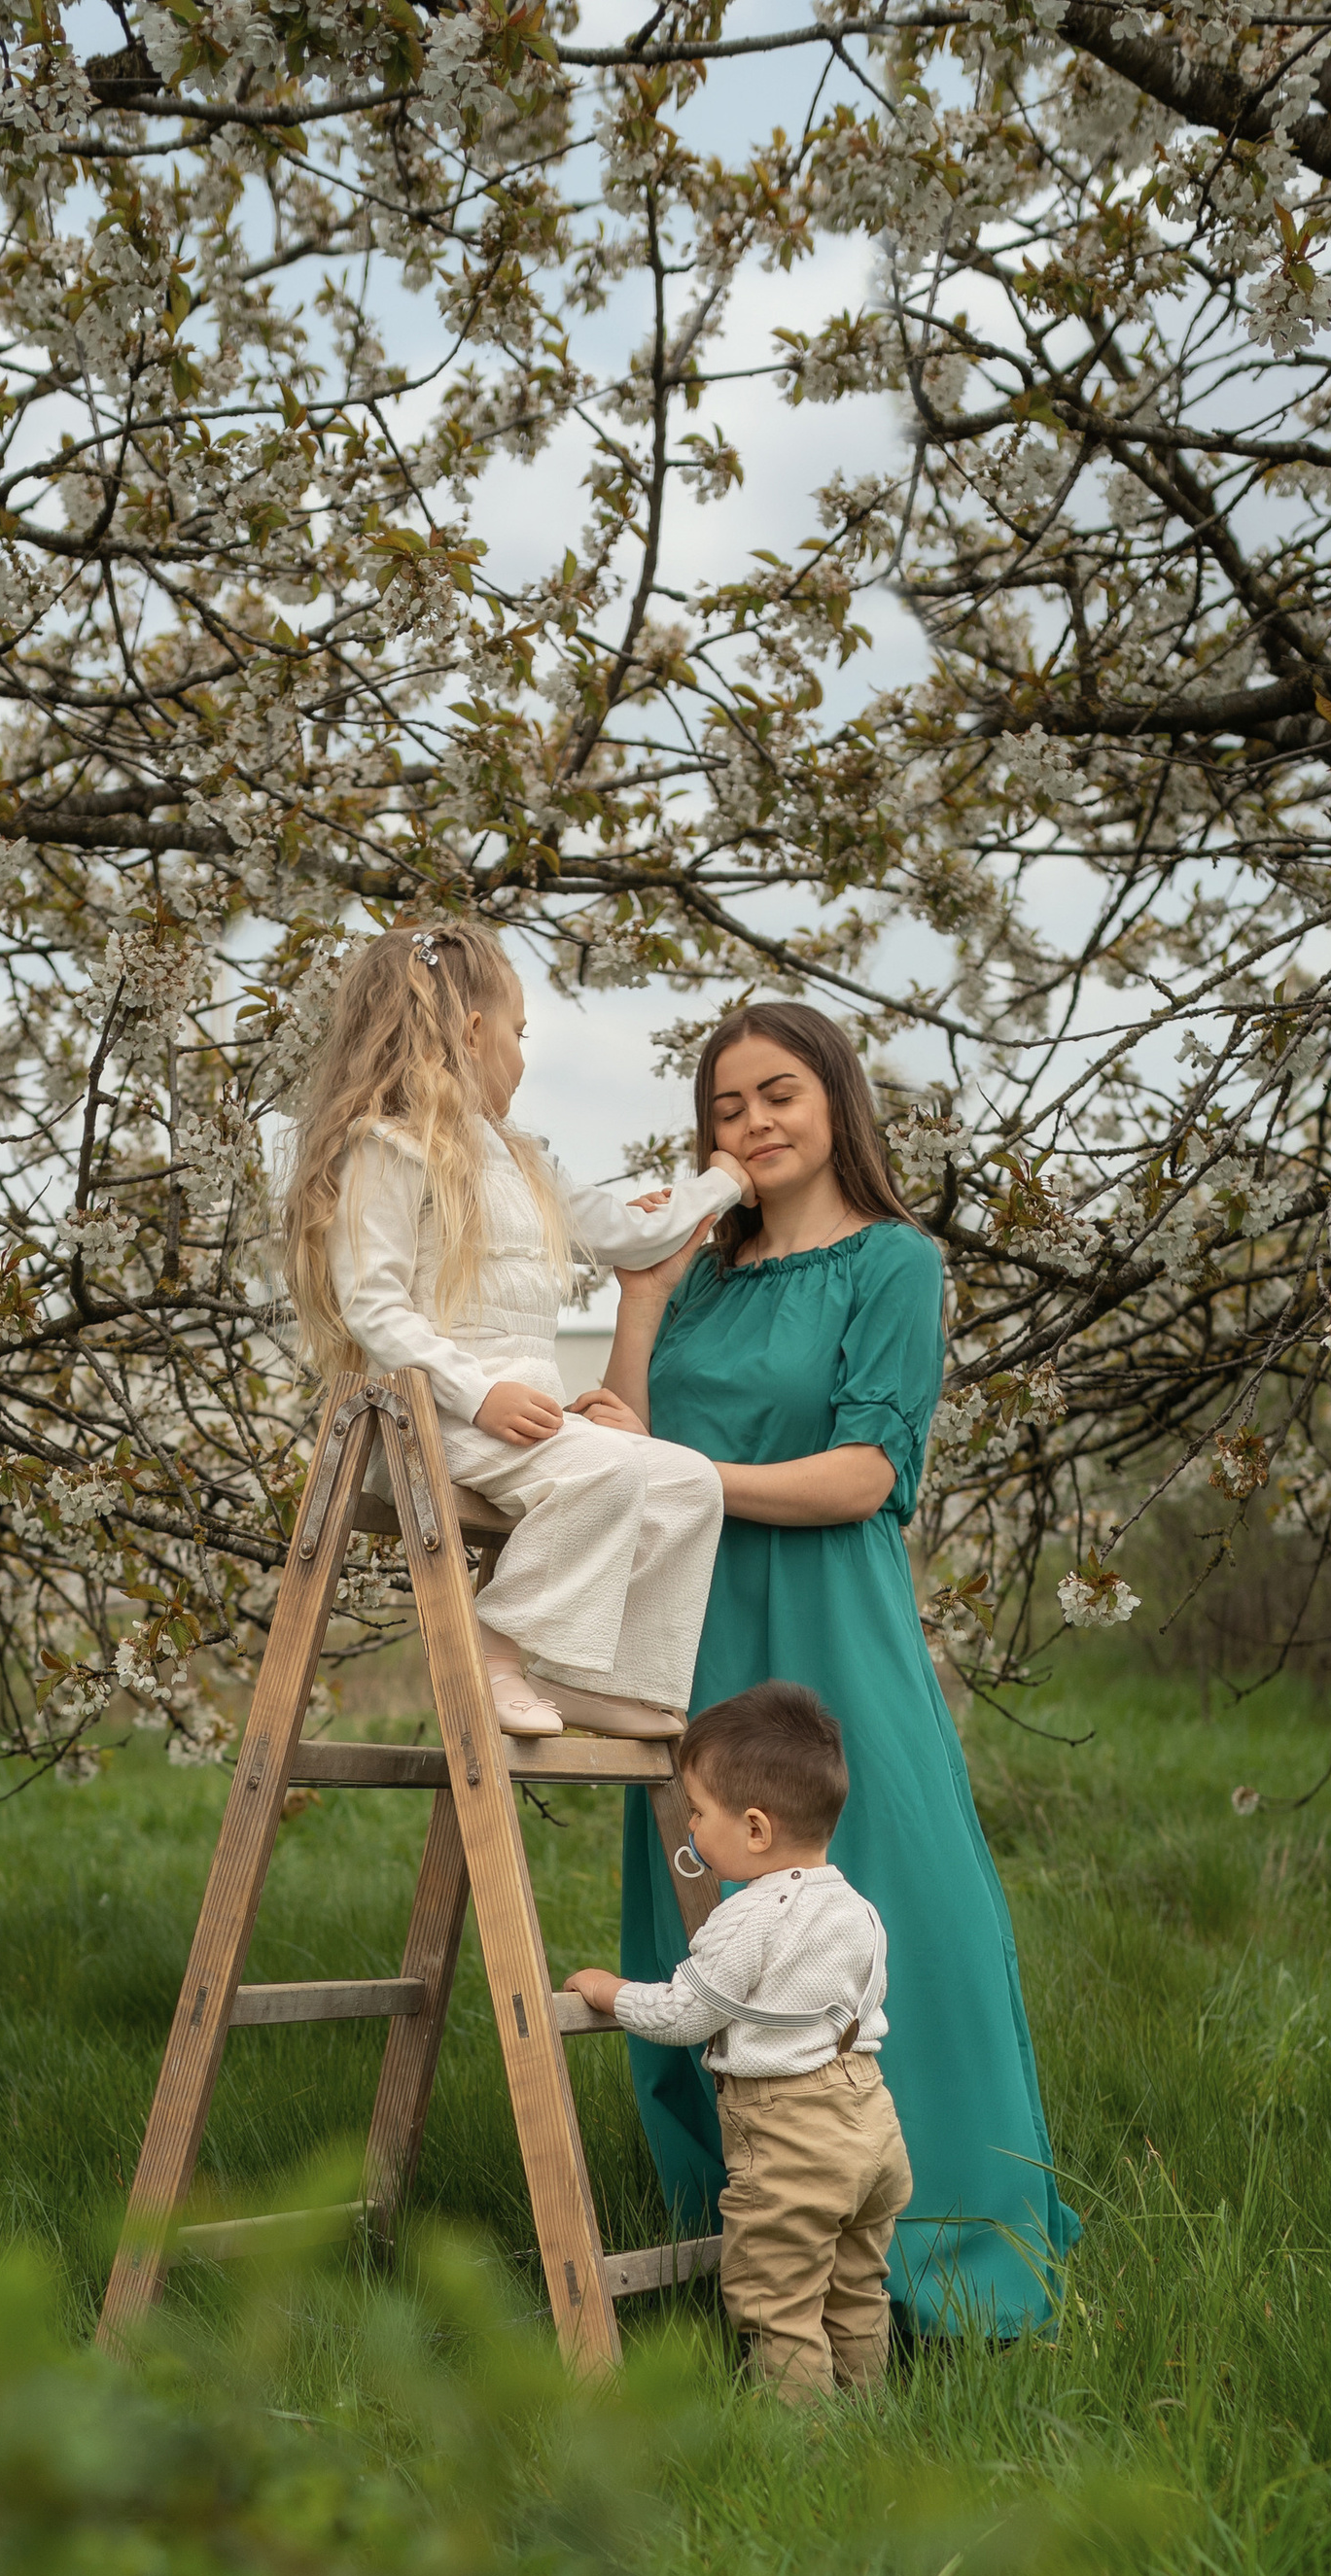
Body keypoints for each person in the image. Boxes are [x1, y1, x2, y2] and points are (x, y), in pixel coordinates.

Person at [575, 1000, 1077, 2337]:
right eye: (727, 1106)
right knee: (704, 1912)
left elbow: (867, 1472)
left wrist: (690, 1480)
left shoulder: (894, 1262)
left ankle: (946, 2255)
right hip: (693, 1630)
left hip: (830, 1621)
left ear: (837, 1099)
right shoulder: (708, 1276)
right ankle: (740, 2242)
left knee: (900, 1907)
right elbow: (630, 1435)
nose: (753, 1124)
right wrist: (641, 1294)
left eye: (778, 1093)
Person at [279, 920, 746, 1740]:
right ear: (472, 1032)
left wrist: (720, 1184)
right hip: (431, 1417)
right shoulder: (386, 1148)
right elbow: (374, 1303)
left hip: (523, 1420)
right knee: (600, 1471)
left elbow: (632, 1233)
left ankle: (592, 1677)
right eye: (521, 1032)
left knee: (688, 1483)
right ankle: (501, 1658)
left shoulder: (520, 1159)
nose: (526, 1056)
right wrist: (480, 1391)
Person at [564, 1682, 911, 2401]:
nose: (690, 1828)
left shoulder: (748, 1917)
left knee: (776, 2304)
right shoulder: (857, 1907)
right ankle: (873, 2417)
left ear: (754, 1829)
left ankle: (803, 2449)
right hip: (871, 2121)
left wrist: (606, 1989)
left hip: (791, 2135)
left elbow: (682, 2017)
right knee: (855, 2290)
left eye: (697, 1812)